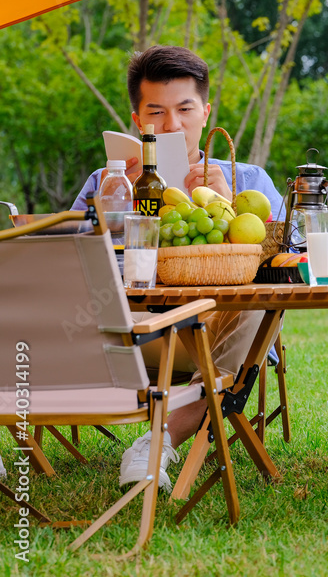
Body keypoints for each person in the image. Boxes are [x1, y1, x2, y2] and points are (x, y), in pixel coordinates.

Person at [72, 45, 285, 492]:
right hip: (127, 333)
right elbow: (70, 267)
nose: (171, 126)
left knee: (257, 305)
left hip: (213, 335)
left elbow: (285, 270)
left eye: (185, 109)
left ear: (206, 113)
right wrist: (122, 209)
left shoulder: (250, 182)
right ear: (136, 120)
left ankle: (158, 442)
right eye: (157, 112)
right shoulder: (107, 182)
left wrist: (224, 204)